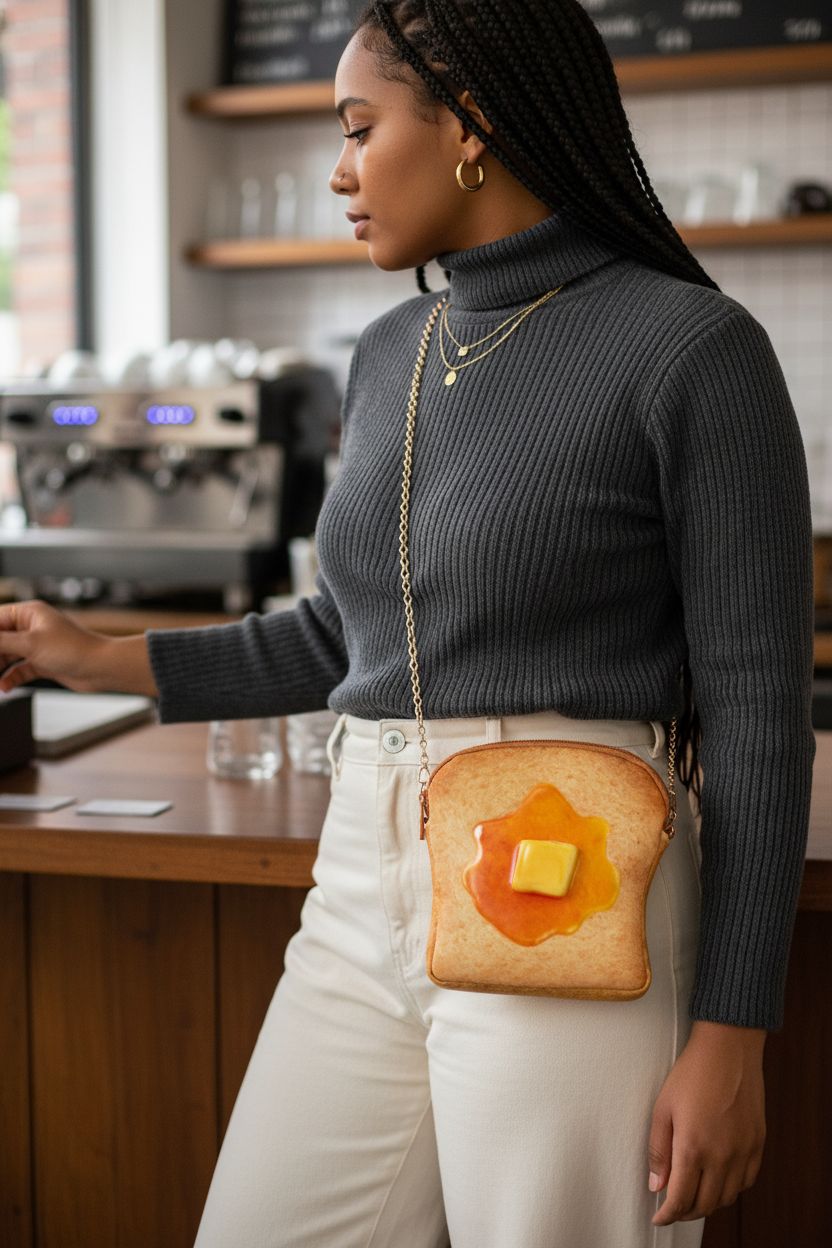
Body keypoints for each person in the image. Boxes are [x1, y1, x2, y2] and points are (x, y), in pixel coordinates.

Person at [0, 2, 816, 1244]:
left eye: (359, 128)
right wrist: (99, 658)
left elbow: (761, 715)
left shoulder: (692, 349)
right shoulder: (392, 352)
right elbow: (354, 635)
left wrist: (731, 1035)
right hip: (359, 877)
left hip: (568, 875)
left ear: (471, 127)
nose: (338, 172)